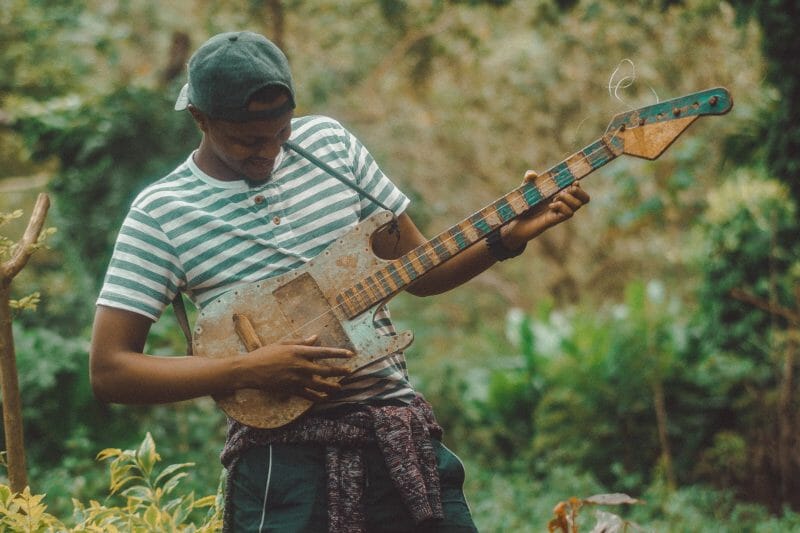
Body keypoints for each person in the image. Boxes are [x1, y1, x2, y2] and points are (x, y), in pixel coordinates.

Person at [89, 30, 589, 532]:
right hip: (282, 469)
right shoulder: (161, 213)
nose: (268, 152)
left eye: (280, 133)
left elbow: (421, 271)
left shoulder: (330, 145)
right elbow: (111, 370)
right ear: (200, 117)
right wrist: (246, 369)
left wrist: (507, 239)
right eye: (247, 141)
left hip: (396, 437)